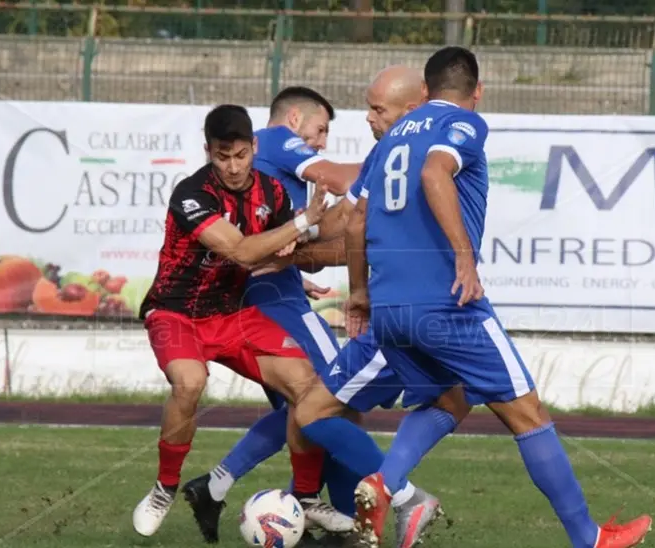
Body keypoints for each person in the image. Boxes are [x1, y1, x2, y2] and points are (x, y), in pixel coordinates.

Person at [346, 46, 653, 548]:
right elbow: (433, 172)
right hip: (445, 302)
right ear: (477, 92)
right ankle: (589, 538)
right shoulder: (465, 124)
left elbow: (356, 218)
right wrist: (464, 257)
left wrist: (358, 293)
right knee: (528, 413)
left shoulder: (387, 141)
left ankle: (384, 483)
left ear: (423, 92)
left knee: (451, 395)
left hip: (390, 309)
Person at [181, 70, 465, 548]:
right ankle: (391, 497)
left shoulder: (268, 179)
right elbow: (337, 179)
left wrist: (303, 253)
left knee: (313, 409)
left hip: (278, 291)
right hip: (271, 298)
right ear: (295, 119)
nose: (321, 142)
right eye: (319, 131)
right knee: (327, 400)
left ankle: (243, 494)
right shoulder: (273, 139)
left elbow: (328, 228)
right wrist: (399, 158)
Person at [131, 104, 359, 538]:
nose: (233, 167)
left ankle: (307, 498)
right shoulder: (191, 194)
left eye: (240, 155)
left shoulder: (271, 192)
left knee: (308, 387)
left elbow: (283, 250)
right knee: (190, 382)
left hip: (231, 315)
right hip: (176, 311)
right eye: (222, 157)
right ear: (208, 152)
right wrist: (304, 221)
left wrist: (324, 234)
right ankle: (165, 487)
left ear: (254, 147)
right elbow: (240, 250)